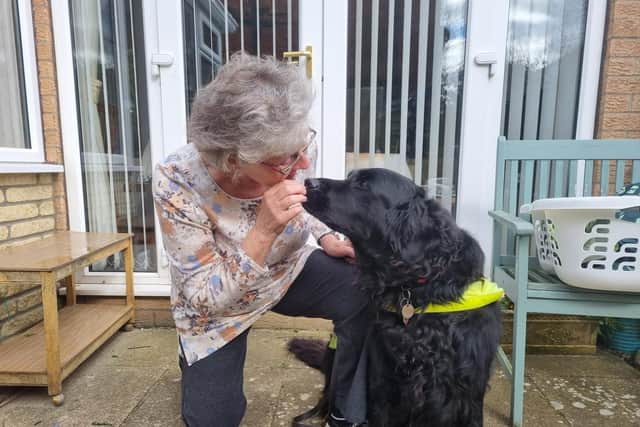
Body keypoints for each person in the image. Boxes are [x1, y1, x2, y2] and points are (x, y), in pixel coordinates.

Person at [153, 53, 369, 427]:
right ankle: (193, 357)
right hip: (218, 309)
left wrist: (328, 236)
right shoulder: (176, 181)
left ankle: (345, 404)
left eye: (304, 148)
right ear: (233, 159)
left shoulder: (291, 147)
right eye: (287, 159)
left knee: (365, 291)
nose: (302, 164)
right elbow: (204, 295)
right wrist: (264, 230)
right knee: (212, 419)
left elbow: (303, 203)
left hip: (287, 270)